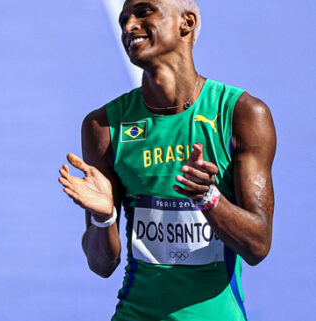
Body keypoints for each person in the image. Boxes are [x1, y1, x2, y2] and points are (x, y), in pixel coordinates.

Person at [58, 0, 276, 320]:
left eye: (144, 12)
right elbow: (101, 264)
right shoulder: (104, 127)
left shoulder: (242, 114)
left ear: (185, 23)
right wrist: (103, 219)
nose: (129, 26)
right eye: (124, 19)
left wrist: (209, 198)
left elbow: (258, 245)